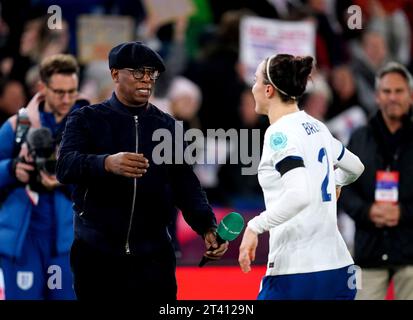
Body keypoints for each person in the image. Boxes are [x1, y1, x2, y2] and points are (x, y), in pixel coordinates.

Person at [56, 41, 228, 300]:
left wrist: (206, 226)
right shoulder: (86, 119)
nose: (146, 80)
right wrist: (106, 163)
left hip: (154, 257)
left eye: (151, 73)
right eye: (138, 72)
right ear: (115, 74)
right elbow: (65, 167)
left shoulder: (168, 126)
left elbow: (185, 184)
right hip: (96, 255)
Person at [238, 54, 365, 300]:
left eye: (254, 81)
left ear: (268, 90)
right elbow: (356, 167)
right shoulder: (317, 127)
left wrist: (254, 226)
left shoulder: (279, 134)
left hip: (298, 272)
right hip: (340, 270)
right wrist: (335, 182)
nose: (252, 88)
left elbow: (299, 195)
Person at [0, 54, 87, 299]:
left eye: (72, 91)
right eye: (59, 92)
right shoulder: (19, 125)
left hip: (67, 243)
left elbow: (105, 182)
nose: (67, 99)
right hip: (24, 240)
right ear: (42, 87)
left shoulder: (89, 126)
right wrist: (11, 169)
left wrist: (66, 179)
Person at [339, 61, 413, 300]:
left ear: (410, 96)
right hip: (368, 251)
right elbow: (344, 188)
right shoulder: (359, 138)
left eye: (399, 91)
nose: (393, 97)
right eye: (386, 91)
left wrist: (403, 212)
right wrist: (367, 211)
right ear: (377, 97)